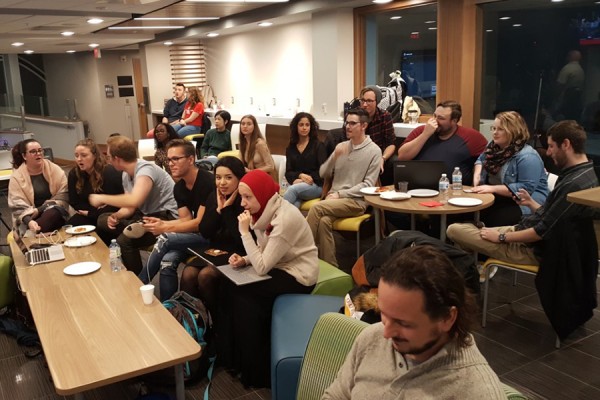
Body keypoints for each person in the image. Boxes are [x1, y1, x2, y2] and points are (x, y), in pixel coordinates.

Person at [322, 245, 504, 400]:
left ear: (447, 318)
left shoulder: (477, 392)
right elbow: (336, 395)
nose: (385, 333)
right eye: (384, 314)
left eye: (404, 323)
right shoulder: (370, 337)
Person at [447, 120, 598, 266]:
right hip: (527, 232)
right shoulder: (585, 174)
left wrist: (501, 237)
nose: (549, 152)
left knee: (454, 230)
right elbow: (553, 217)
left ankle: (471, 267)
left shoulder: (572, 184)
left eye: (551, 146)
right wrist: (531, 204)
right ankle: (472, 265)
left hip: (532, 248)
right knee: (465, 226)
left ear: (565, 144)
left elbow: (542, 231)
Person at [219, 169, 318, 388]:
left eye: (248, 197)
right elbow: (266, 251)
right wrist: (244, 260)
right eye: (242, 196)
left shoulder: (284, 218)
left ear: (262, 194)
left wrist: (244, 233)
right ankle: (239, 361)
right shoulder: (266, 209)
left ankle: (256, 370)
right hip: (280, 266)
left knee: (244, 295)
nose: (243, 203)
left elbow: (263, 266)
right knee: (230, 286)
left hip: (299, 275)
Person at [137, 140, 214, 300]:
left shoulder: (206, 182)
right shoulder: (179, 187)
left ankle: (140, 283)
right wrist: (162, 224)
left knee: (165, 238)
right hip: (194, 237)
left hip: (211, 238)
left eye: (175, 159)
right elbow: (185, 219)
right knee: (167, 262)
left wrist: (164, 229)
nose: (170, 164)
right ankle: (170, 308)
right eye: (169, 160)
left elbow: (198, 224)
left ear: (191, 159)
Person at [91, 136, 178, 274]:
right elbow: (130, 207)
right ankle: (134, 229)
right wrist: (117, 215)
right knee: (103, 220)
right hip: (146, 215)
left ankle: (138, 280)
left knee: (124, 241)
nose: (108, 161)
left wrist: (102, 198)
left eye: (109, 157)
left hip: (166, 217)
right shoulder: (126, 174)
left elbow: (134, 200)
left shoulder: (145, 170)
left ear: (117, 159)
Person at [306, 108, 381, 267]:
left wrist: (340, 194)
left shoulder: (374, 151)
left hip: (356, 201)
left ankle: (302, 254)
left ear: (363, 126)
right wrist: (334, 158)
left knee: (316, 209)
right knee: (324, 221)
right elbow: (322, 173)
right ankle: (330, 267)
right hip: (334, 199)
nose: (348, 126)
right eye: (347, 122)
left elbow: (368, 185)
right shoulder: (341, 146)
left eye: (353, 123)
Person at [179, 156, 247, 310]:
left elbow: (241, 238)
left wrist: (227, 209)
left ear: (239, 178)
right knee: (188, 273)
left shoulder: (245, 199)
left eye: (228, 178)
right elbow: (205, 232)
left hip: (238, 253)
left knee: (206, 276)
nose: (222, 183)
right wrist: (217, 210)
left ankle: (217, 323)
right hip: (215, 251)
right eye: (218, 177)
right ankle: (193, 320)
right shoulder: (214, 197)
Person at [472, 111, 549, 227]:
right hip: (499, 197)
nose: (494, 133)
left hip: (525, 202)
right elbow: (480, 160)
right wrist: (477, 175)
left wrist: (492, 188)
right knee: (467, 212)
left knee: (493, 220)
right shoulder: (493, 147)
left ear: (513, 131)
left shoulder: (528, 156)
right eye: (493, 128)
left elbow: (525, 189)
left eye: (500, 129)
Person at [397, 100, 487, 185]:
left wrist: (477, 175)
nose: (435, 120)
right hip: (419, 188)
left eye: (441, 118)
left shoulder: (471, 137)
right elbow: (402, 156)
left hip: (455, 191)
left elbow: (487, 158)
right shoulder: (421, 131)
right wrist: (425, 134)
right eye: (434, 116)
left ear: (454, 121)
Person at [9, 139, 70, 234]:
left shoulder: (54, 169)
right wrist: (29, 221)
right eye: (33, 151)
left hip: (54, 211)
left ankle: (31, 236)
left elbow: (64, 195)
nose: (38, 154)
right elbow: (17, 205)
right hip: (29, 217)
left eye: (40, 150)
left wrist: (40, 209)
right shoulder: (16, 177)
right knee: (43, 222)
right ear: (24, 156)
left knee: (53, 213)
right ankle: (36, 234)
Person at [67, 139, 124, 232]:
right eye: (76, 156)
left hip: (109, 213)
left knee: (102, 226)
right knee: (70, 227)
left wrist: (92, 213)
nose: (79, 159)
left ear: (94, 156)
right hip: (87, 213)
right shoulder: (74, 174)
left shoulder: (109, 172)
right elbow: (74, 201)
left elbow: (117, 201)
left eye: (84, 155)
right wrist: (90, 212)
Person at [283, 112, 327, 208]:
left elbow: (323, 171)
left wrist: (306, 178)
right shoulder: (291, 148)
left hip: (316, 185)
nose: (304, 128)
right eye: (301, 125)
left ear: (311, 127)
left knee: (292, 190)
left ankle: (276, 218)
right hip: (298, 184)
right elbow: (288, 172)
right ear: (296, 127)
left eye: (307, 125)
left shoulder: (318, 146)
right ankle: (290, 222)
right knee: (294, 204)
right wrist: (300, 176)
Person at [359, 85, 396, 185]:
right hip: (359, 154)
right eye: (363, 101)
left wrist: (382, 158)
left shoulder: (385, 116)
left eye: (369, 101)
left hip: (379, 154)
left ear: (377, 102)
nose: (365, 104)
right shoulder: (355, 116)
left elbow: (391, 144)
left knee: (393, 162)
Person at [238, 114, 276, 180]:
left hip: (264, 177)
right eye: (243, 124)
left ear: (254, 127)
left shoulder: (259, 144)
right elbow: (240, 163)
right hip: (251, 175)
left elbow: (270, 166)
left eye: (249, 124)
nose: (245, 126)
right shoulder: (243, 143)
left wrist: (251, 172)